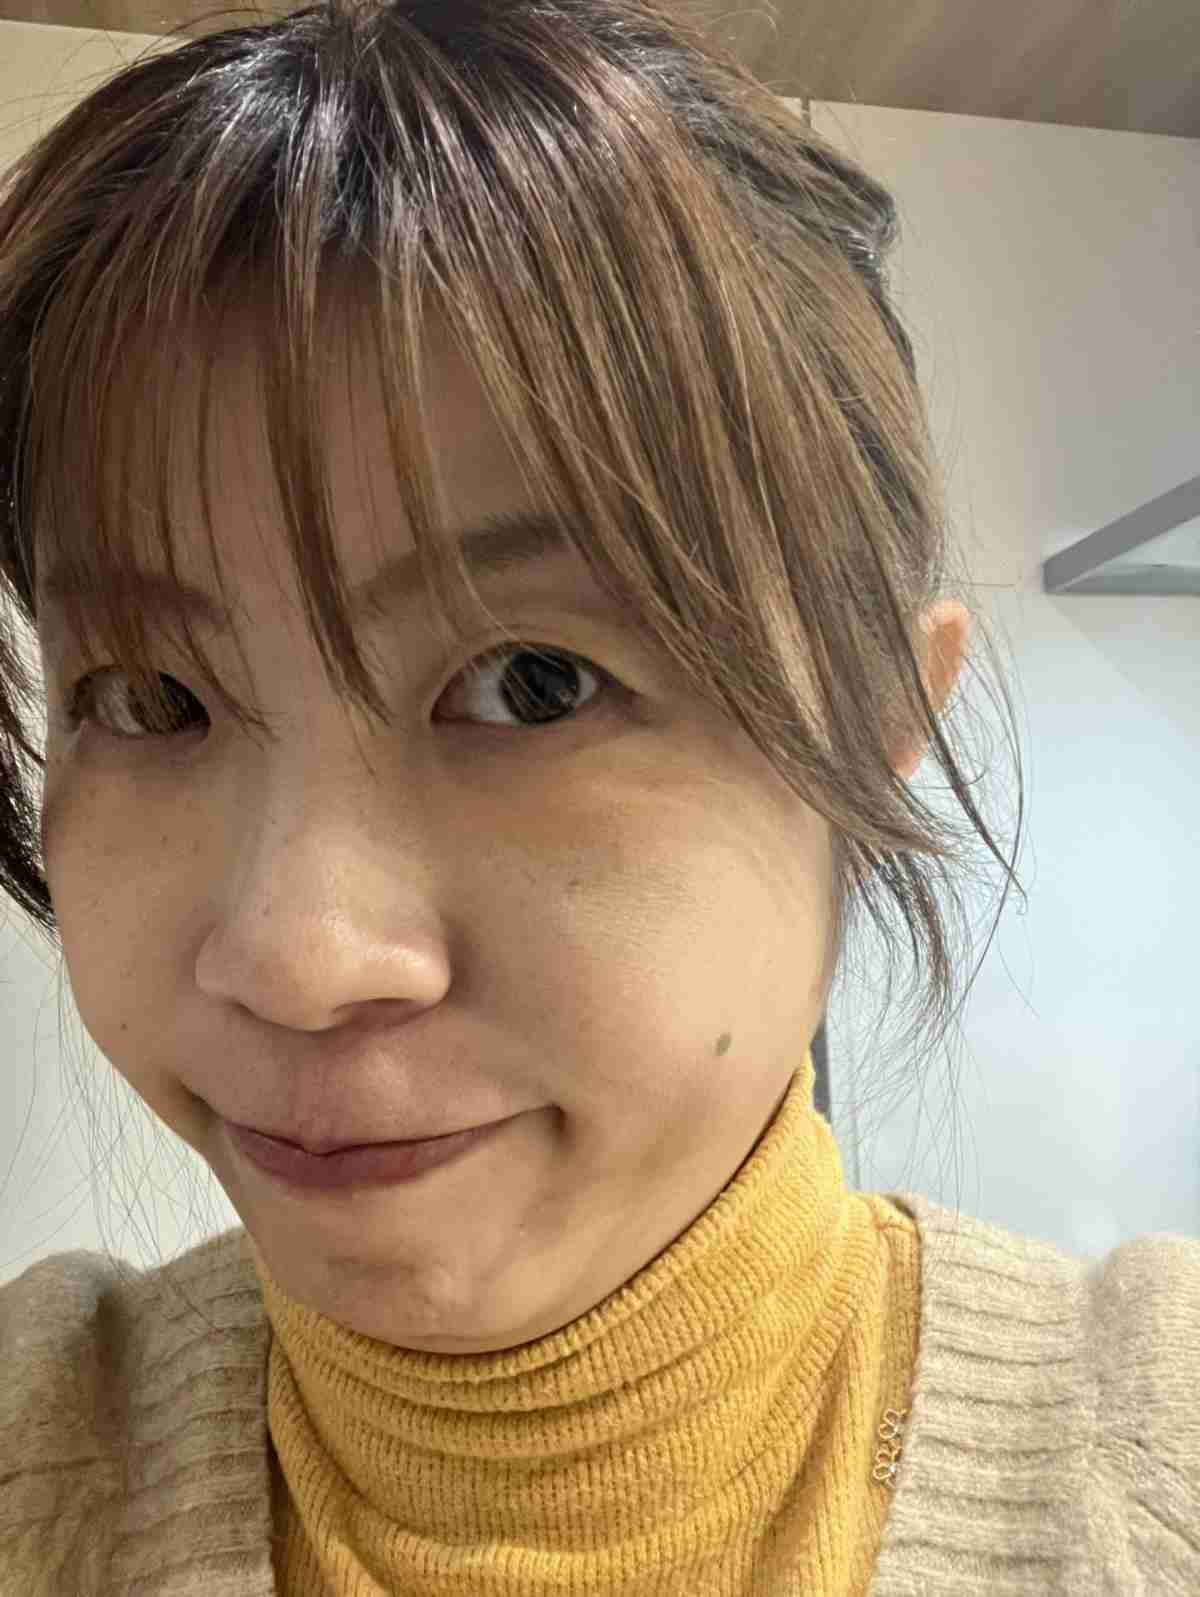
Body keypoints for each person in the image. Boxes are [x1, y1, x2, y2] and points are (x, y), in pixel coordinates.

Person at [0, 1, 1195, 1592]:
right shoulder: (39, 1458)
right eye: (152, 698)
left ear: (883, 717)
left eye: (534, 682)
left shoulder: (1155, 1462)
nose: (296, 956)